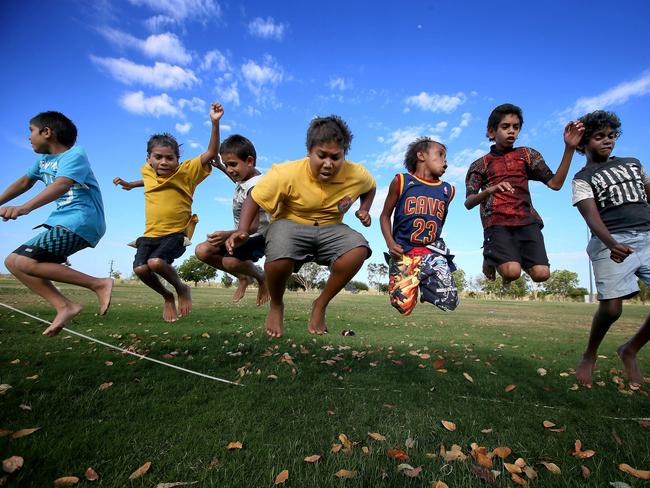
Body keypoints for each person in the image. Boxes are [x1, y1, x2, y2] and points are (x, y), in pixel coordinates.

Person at [225, 115, 376, 338]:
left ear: (344, 154)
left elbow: (370, 187)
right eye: (321, 155)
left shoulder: (357, 174)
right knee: (279, 256)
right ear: (309, 152)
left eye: (336, 157)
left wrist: (365, 208)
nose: (328, 163)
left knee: (358, 248)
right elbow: (254, 198)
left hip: (331, 227)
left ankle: (320, 304)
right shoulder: (285, 172)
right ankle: (276, 305)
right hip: (290, 223)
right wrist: (243, 229)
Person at [0, 111, 112, 336]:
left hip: (82, 220)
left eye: (31, 131)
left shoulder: (75, 155)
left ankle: (99, 283)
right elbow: (24, 182)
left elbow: (61, 184)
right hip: (63, 222)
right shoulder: (42, 161)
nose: (29, 137)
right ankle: (65, 306)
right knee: (12, 262)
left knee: (25, 261)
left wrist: (24, 208)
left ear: (47, 132)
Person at [113, 102, 223, 322]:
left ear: (177, 160)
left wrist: (214, 123)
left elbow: (211, 152)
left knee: (156, 263)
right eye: (158, 157)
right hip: (150, 234)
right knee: (141, 269)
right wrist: (130, 184)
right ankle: (167, 296)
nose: (163, 162)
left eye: (169, 158)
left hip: (176, 234)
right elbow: (149, 181)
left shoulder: (186, 172)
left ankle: (182, 288)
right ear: (149, 159)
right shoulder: (147, 171)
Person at [571, 110, 650, 388]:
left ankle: (630, 349)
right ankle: (590, 354)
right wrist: (611, 243)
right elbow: (590, 215)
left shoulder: (633, 164)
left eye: (611, 136)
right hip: (611, 239)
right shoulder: (582, 177)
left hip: (648, 236)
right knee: (613, 308)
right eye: (599, 137)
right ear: (583, 143)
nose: (607, 141)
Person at [465, 103, 584, 283]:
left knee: (541, 274)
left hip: (526, 221)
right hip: (497, 223)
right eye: (505, 127)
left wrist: (569, 148)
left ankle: (505, 257)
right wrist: (490, 190)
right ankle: (491, 256)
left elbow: (555, 184)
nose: (511, 131)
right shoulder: (480, 164)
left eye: (516, 127)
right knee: (512, 272)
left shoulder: (527, 155)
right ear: (491, 132)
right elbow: (469, 203)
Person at [379, 137, 458, 315]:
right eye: (440, 155)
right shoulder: (402, 181)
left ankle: (426, 278)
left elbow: (440, 222)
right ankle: (415, 282)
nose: (445, 162)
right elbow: (384, 216)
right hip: (404, 254)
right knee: (403, 308)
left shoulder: (447, 190)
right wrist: (390, 243)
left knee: (450, 302)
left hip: (431, 252)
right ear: (421, 155)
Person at [194, 134, 270, 305]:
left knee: (230, 262)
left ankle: (261, 277)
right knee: (202, 251)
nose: (230, 169)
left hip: (258, 236)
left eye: (232, 164)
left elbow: (253, 226)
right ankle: (243, 277)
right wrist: (221, 166)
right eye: (227, 164)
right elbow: (237, 180)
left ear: (249, 161)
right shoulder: (245, 177)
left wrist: (228, 234)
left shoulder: (258, 188)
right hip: (241, 234)